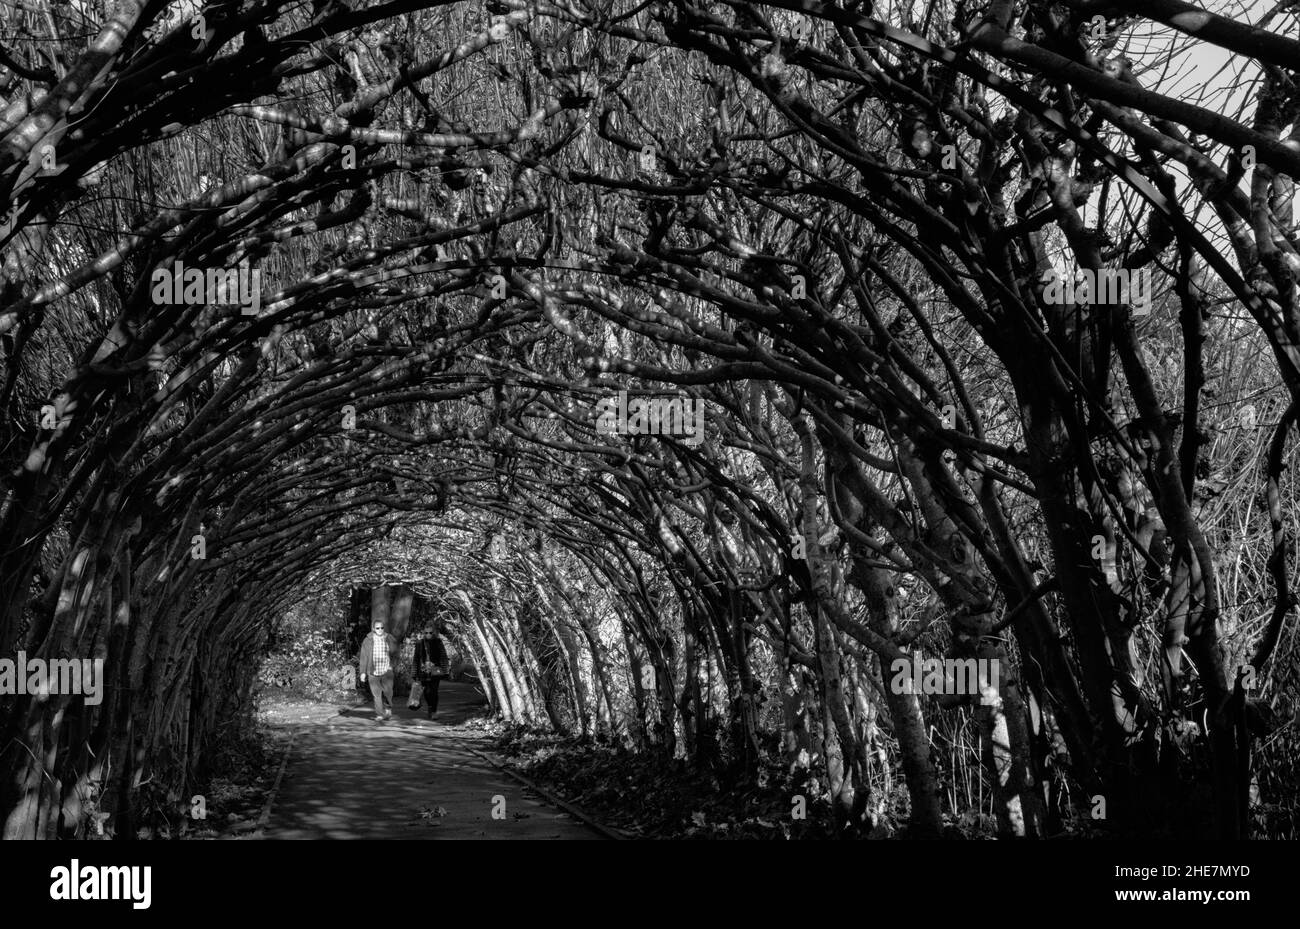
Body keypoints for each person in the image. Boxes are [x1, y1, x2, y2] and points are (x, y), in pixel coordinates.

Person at [358, 619, 399, 721]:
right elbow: (364, 657)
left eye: (382, 627)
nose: (380, 630)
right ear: (373, 629)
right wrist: (363, 672)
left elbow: (396, 653)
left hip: (387, 670)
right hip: (373, 671)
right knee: (376, 694)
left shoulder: (389, 638)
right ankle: (379, 714)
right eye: (377, 628)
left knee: (388, 692)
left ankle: (388, 708)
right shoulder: (368, 640)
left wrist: (392, 665)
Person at [412, 626, 449, 719]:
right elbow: (416, 659)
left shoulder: (438, 642)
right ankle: (430, 706)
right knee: (426, 692)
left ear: (434, 633)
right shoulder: (419, 643)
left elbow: (443, 656)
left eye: (430, 632)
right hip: (423, 671)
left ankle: (434, 712)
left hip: (436, 670)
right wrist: (414, 673)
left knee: (434, 692)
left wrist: (445, 671)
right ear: (424, 633)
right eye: (426, 632)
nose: (428, 634)